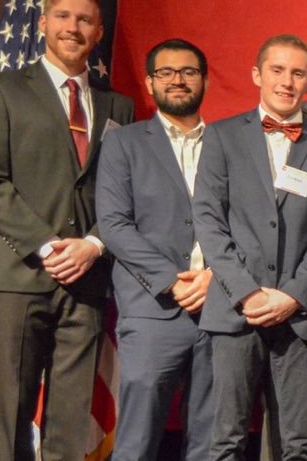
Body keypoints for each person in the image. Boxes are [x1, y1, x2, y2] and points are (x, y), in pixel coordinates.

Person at [0, 0, 135, 460]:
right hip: (19, 276)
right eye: (63, 17)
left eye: (84, 20)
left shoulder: (119, 106)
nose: (72, 28)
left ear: (98, 32)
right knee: (13, 413)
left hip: (87, 278)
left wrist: (94, 244)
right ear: (42, 23)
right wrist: (46, 244)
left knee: (70, 418)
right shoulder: (1, 90)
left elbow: (126, 191)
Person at [192, 34, 307, 460]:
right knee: (226, 439)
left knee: (299, 443)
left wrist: (294, 294)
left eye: (298, 73)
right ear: (257, 75)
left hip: (301, 314)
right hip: (235, 308)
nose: (287, 82)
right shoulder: (222, 136)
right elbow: (209, 221)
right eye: (277, 70)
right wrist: (248, 292)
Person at [96, 38, 214, 461]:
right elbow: (114, 225)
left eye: (189, 71)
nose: (178, 80)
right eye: (166, 72)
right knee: (137, 443)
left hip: (219, 310)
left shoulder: (229, 142)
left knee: (212, 443)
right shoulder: (124, 143)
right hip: (152, 311)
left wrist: (215, 276)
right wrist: (171, 282)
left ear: (205, 81)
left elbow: (246, 224)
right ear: (150, 83)